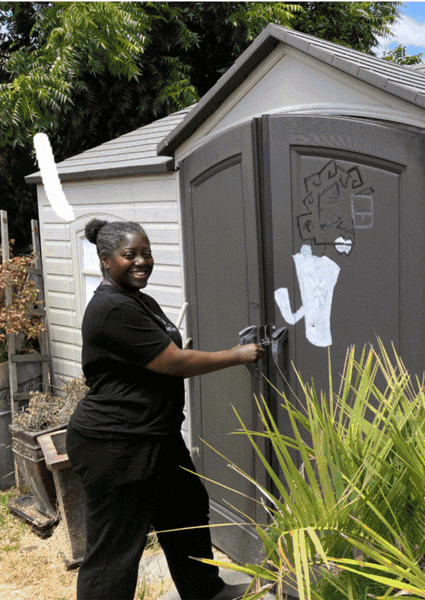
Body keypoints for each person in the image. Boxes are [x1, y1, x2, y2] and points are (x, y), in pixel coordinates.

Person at [65, 218, 265, 600]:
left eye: (147, 253)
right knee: (115, 548)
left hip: (156, 436)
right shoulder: (111, 309)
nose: (142, 261)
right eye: (130, 255)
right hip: (116, 443)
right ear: (106, 260)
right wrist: (238, 355)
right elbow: (173, 362)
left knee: (186, 510)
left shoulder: (137, 300)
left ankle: (204, 590)